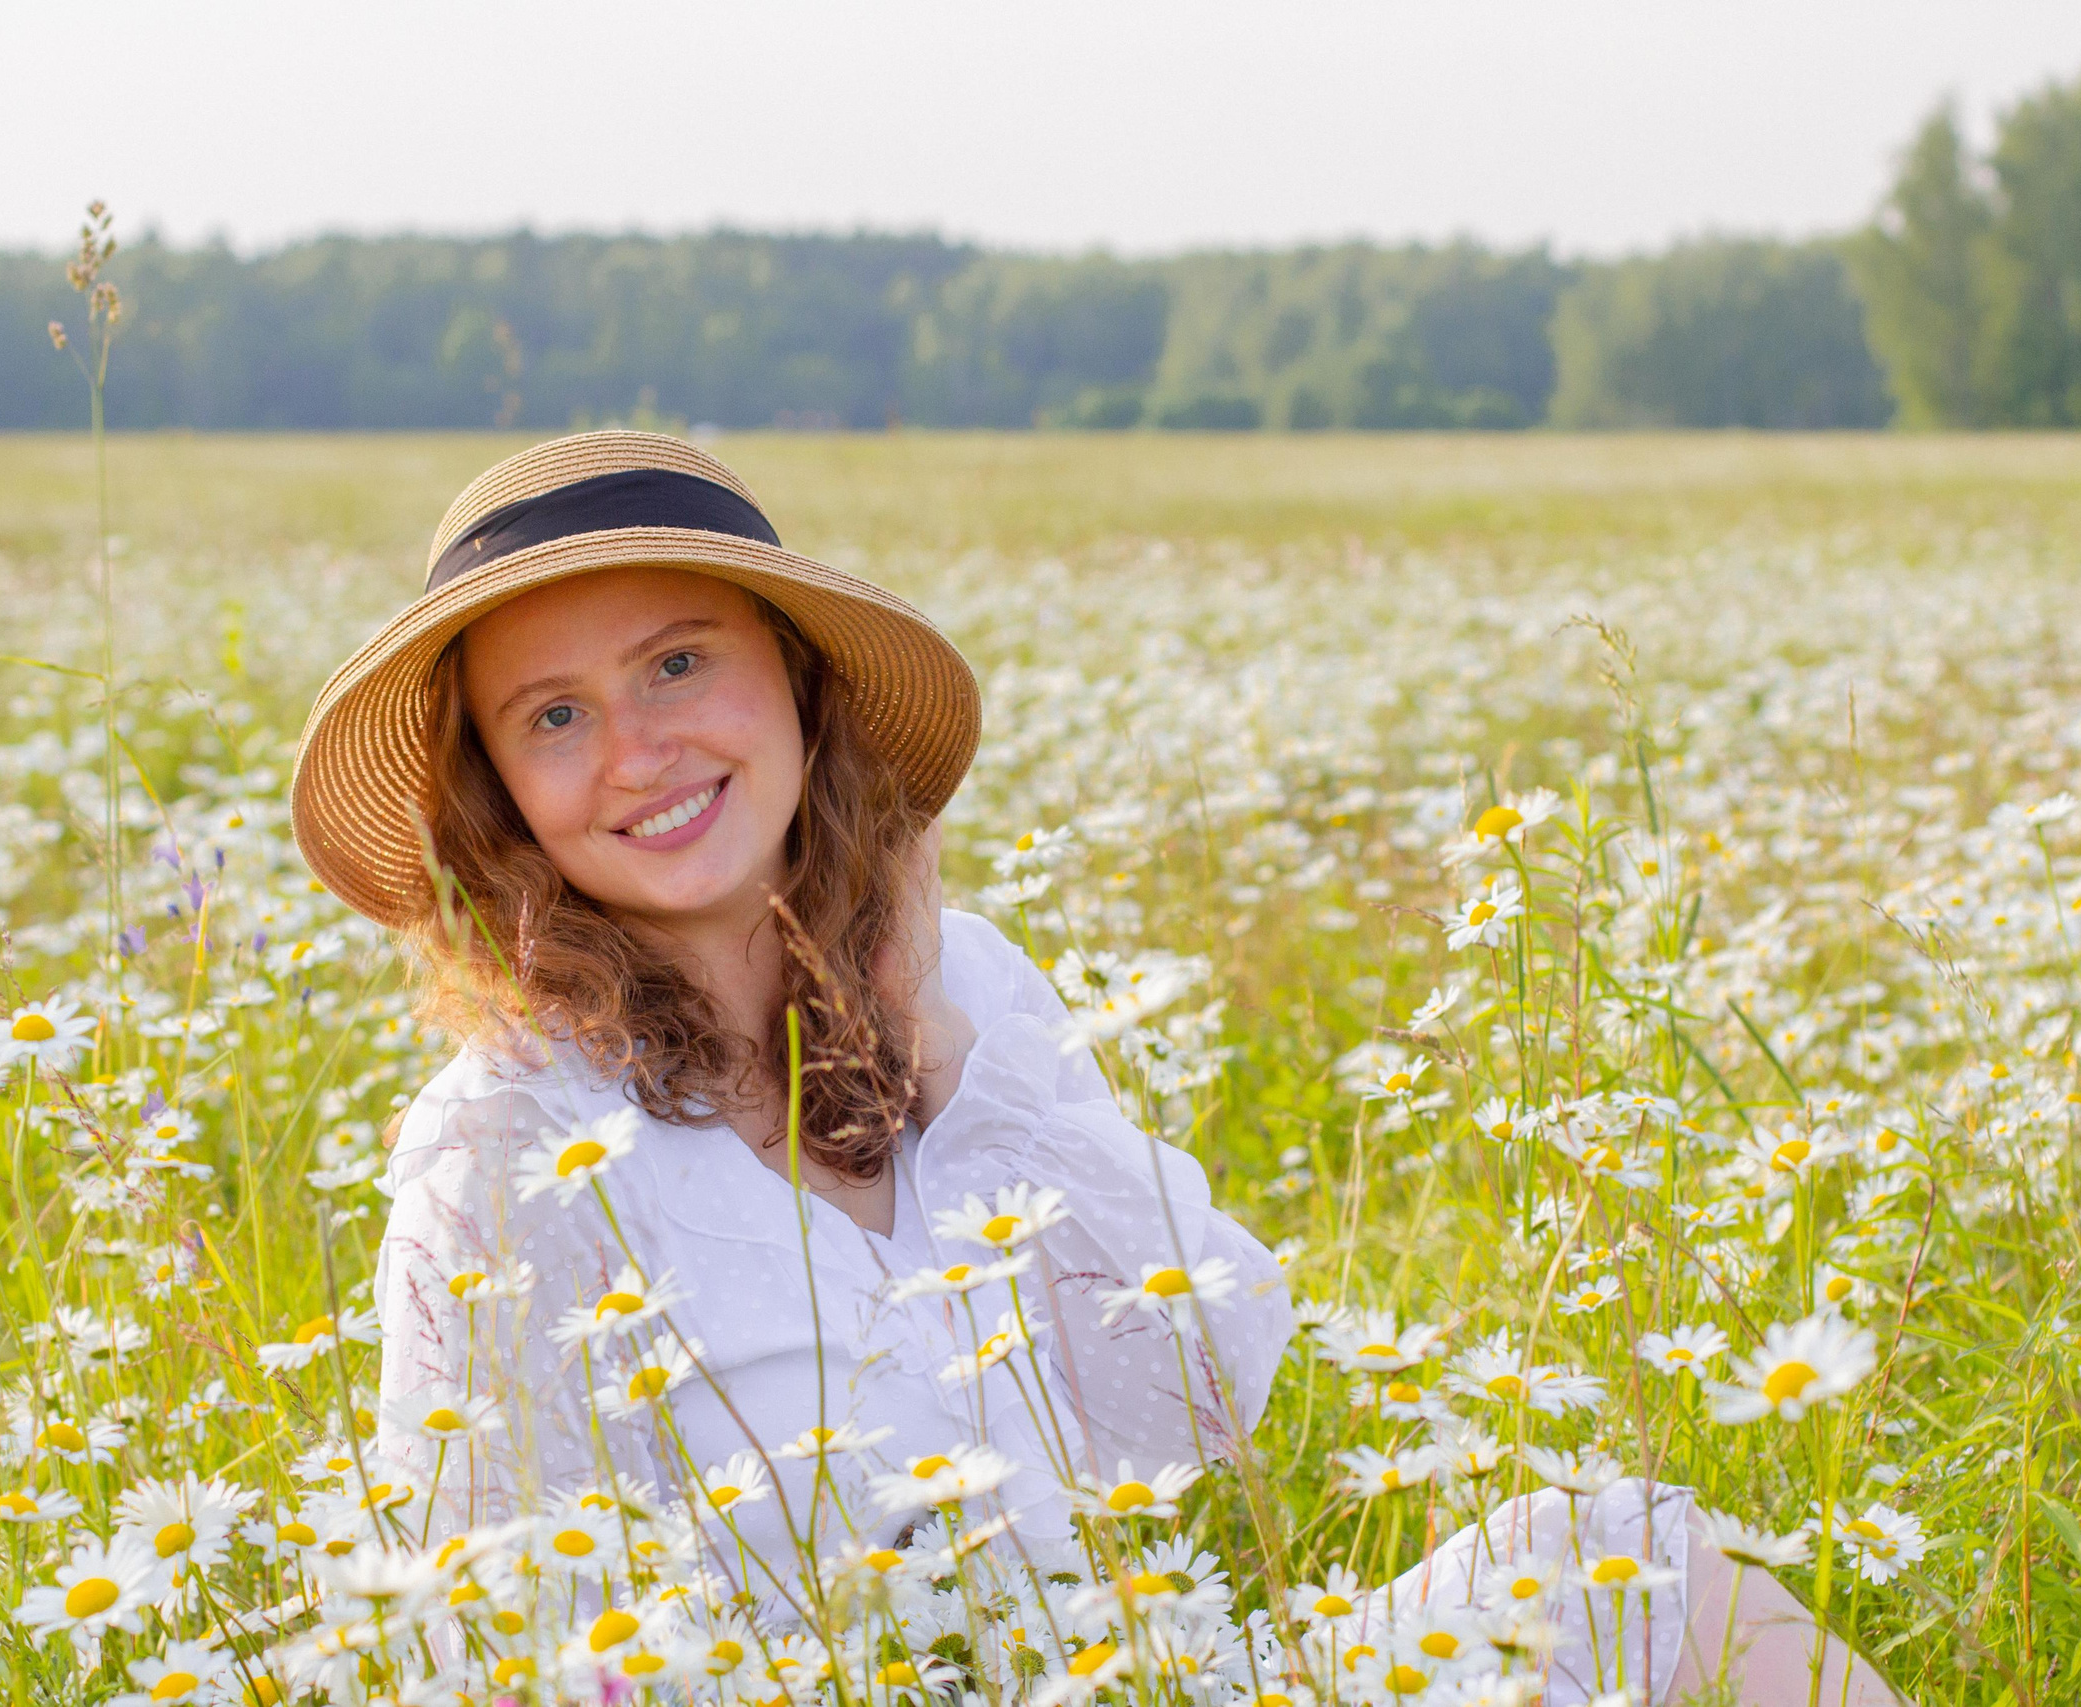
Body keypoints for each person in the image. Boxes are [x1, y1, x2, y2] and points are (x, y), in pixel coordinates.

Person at [289, 432, 1900, 1705]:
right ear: (494, 788)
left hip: (1152, 1679)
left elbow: (1207, 1390)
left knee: (1633, 1560)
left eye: (678, 664)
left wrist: (922, 1018)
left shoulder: (969, 992)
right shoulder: (506, 1145)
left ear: (793, 677)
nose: (637, 750)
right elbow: (483, 1640)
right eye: (553, 713)